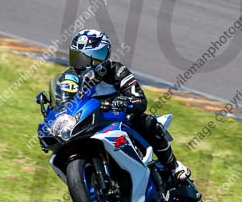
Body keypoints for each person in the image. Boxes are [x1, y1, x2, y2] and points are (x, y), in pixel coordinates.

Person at [50, 29, 190, 180]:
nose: (84, 63)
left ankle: (174, 166)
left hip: (118, 116)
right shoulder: (69, 77)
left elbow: (139, 100)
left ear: (103, 55)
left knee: (148, 123)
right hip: (87, 121)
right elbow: (62, 104)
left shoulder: (117, 71)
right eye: (79, 57)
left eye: (91, 57)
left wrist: (125, 102)